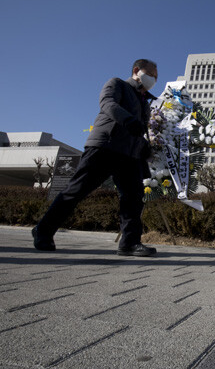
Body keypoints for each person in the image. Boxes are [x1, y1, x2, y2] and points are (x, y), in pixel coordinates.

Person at [32, 59, 158, 257]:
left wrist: (145, 149)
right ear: (136, 70)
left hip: (130, 155)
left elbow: (140, 131)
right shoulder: (118, 84)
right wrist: (128, 119)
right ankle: (43, 230)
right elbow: (107, 103)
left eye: (156, 77)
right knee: (76, 190)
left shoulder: (145, 102)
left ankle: (130, 243)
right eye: (151, 74)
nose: (154, 79)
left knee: (134, 198)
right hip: (105, 146)